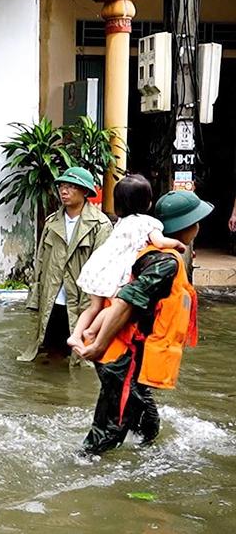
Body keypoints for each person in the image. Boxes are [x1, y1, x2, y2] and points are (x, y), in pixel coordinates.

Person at [75, 190, 213, 455]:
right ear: (190, 225)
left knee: (147, 425)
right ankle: (80, 469)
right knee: (110, 430)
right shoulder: (164, 263)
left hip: (127, 356)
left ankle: (127, 462)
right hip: (120, 355)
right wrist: (99, 345)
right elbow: (125, 302)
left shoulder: (156, 253)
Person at [68, 174, 185, 351]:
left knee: (94, 307)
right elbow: (160, 242)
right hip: (114, 272)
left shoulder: (121, 222)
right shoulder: (148, 222)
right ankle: (91, 332)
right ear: (148, 203)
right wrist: (177, 244)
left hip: (97, 266)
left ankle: (75, 335)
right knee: (117, 306)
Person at [20, 167, 112, 362]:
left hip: (83, 303)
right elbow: (41, 261)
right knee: (51, 354)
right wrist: (36, 297)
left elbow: (104, 268)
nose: (64, 191)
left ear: (85, 192)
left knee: (82, 358)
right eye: (62, 186)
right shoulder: (52, 222)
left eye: (71, 187)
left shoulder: (100, 225)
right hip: (53, 299)